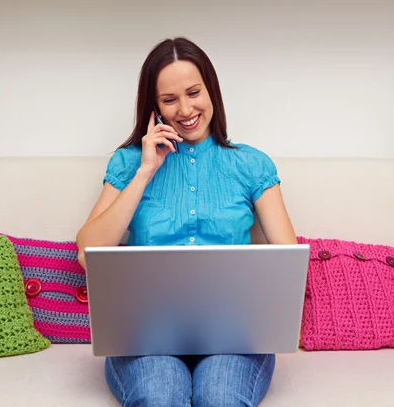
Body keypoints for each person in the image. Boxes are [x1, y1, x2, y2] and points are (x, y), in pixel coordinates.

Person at [76, 36, 298, 407]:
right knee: (157, 396)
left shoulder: (252, 165)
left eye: (194, 92)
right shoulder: (129, 163)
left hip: (236, 337)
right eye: (169, 100)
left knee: (221, 398)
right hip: (144, 336)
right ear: (154, 107)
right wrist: (146, 171)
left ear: (211, 91)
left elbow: (289, 263)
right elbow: (87, 252)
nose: (185, 108)